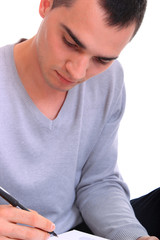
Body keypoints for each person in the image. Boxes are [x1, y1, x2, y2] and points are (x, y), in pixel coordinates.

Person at [0, 0, 158, 239]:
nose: (77, 72)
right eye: (71, 43)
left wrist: (135, 236)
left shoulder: (110, 80)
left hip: (73, 231)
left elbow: (98, 182)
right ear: (46, 4)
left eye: (102, 60)